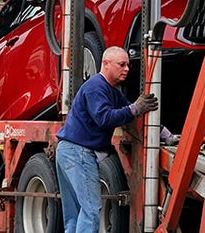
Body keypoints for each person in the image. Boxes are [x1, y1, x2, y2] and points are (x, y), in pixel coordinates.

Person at [55, 46, 158, 233]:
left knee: (75, 213)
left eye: (128, 64)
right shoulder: (96, 87)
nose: (127, 68)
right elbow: (104, 118)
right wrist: (135, 108)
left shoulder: (110, 91)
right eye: (122, 64)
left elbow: (133, 112)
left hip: (68, 151)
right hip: (79, 153)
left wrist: (163, 132)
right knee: (91, 210)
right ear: (106, 64)